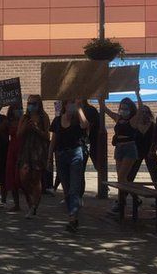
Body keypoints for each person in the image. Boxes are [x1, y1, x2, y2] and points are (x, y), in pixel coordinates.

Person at [98, 94, 147, 209]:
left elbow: (141, 108)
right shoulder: (118, 119)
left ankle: (121, 202)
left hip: (129, 148)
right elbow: (105, 110)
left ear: (130, 110)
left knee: (121, 177)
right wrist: (100, 100)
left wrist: (137, 94)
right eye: (122, 108)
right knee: (121, 179)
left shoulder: (133, 120)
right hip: (119, 148)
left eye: (126, 108)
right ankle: (133, 198)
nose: (123, 110)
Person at [49, 100, 89, 232]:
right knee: (67, 189)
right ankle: (72, 211)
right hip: (61, 156)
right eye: (69, 103)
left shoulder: (78, 120)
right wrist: (49, 156)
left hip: (75, 154)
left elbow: (85, 125)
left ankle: (73, 218)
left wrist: (79, 109)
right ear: (65, 105)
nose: (71, 106)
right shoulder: (57, 120)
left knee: (74, 188)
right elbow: (54, 139)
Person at [16, 95, 51, 218]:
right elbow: (18, 134)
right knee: (24, 177)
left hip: (38, 150)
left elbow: (47, 136)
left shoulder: (43, 117)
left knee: (36, 179)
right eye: (29, 103)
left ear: (39, 104)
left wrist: (36, 129)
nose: (31, 105)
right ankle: (30, 202)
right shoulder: (25, 118)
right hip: (26, 150)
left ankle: (34, 206)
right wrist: (26, 127)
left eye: (34, 103)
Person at [128, 103, 157, 185]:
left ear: (149, 114)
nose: (144, 114)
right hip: (136, 153)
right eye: (142, 112)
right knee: (131, 174)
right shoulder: (134, 126)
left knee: (154, 175)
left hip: (150, 152)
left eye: (146, 112)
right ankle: (125, 195)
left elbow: (156, 140)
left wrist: (153, 151)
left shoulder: (153, 126)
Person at [3, 101, 24, 211]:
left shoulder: (25, 120)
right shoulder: (9, 122)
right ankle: (16, 204)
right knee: (12, 176)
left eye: (20, 108)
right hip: (12, 149)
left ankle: (32, 203)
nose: (18, 110)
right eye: (16, 108)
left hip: (22, 148)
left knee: (23, 177)